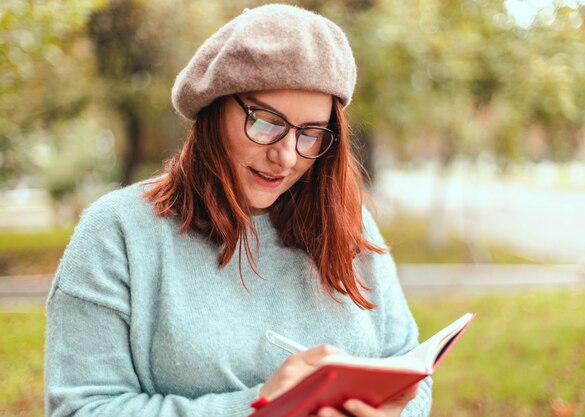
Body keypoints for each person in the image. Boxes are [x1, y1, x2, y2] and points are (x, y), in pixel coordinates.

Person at [44, 4, 433, 417]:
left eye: (311, 134)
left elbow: (408, 370)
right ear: (214, 108)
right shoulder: (118, 232)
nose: (286, 156)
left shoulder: (351, 223)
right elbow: (80, 408)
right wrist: (261, 407)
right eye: (266, 120)